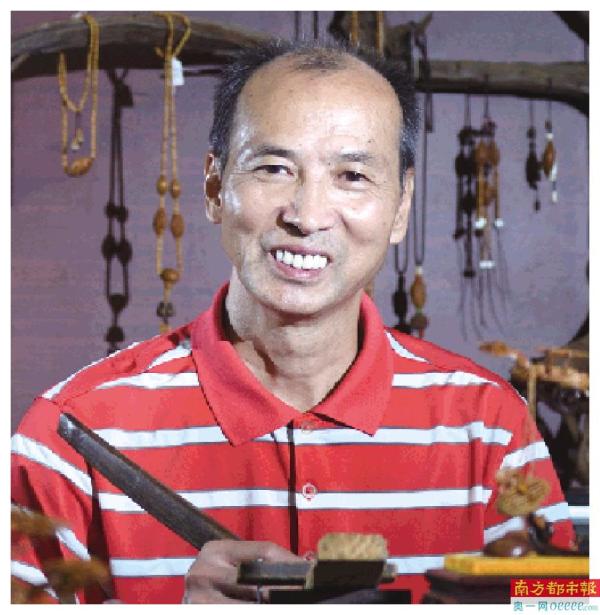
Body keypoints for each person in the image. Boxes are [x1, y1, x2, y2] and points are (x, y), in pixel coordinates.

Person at [11, 39, 575, 605]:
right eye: (274, 168)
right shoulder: (71, 434)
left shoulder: (490, 425)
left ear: (401, 206)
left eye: (352, 175)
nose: (306, 216)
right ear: (215, 187)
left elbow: (562, 597)